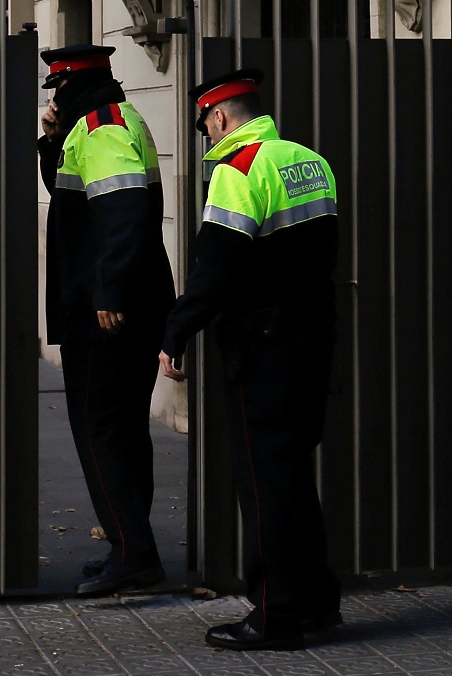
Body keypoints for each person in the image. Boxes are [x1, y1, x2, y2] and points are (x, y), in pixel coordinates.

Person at [158, 68, 341, 651]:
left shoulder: (238, 171)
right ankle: (314, 602)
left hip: (263, 347)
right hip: (312, 339)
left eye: (206, 130)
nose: (208, 142)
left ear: (218, 118)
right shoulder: (308, 159)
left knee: (264, 485)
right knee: (292, 478)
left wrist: (174, 333)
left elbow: (216, 271)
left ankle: (274, 616)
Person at [37, 44, 174, 597]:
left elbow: (123, 214)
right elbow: (70, 194)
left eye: (56, 90)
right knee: (120, 432)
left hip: (106, 311)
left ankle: (134, 553)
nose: (53, 99)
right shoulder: (100, 125)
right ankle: (128, 545)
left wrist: (109, 290)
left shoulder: (103, 128)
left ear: (72, 85)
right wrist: (50, 139)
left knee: (101, 431)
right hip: (115, 302)